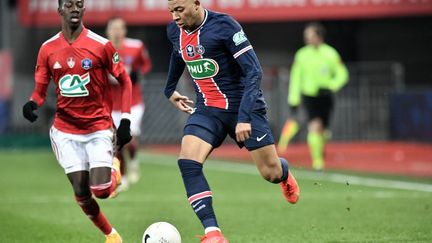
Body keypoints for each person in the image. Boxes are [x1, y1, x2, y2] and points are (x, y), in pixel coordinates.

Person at [165, 0, 300, 242]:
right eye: (171, 11)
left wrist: (245, 117)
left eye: (179, 9)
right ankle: (213, 233)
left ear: (196, 3)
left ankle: (284, 173)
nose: (175, 16)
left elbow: (254, 71)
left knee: (270, 172)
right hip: (207, 109)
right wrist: (169, 90)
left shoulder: (225, 25)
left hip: (243, 108)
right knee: (187, 162)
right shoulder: (175, 30)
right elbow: (178, 55)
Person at [22, 1, 132, 242]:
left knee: (101, 191)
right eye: (69, 4)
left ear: (84, 10)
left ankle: (115, 167)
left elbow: (125, 80)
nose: (74, 8)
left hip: (98, 127)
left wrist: (125, 120)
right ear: (60, 10)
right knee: (82, 192)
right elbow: (40, 90)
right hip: (65, 131)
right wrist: (32, 103)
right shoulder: (47, 49)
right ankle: (111, 235)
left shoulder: (101, 45)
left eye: (79, 4)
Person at [288, 22, 349, 170]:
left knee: (324, 131)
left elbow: (343, 74)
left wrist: (332, 85)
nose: (307, 39)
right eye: (306, 36)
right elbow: (296, 77)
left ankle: (320, 148)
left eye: (310, 35)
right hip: (309, 96)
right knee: (314, 126)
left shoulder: (331, 53)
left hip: (326, 96)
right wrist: (293, 97)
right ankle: (318, 162)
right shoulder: (301, 55)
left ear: (319, 36)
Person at [106, 16, 152, 190]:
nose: (117, 32)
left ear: (125, 30)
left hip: (133, 101)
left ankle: (133, 159)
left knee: (130, 139)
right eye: (113, 28)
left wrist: (136, 74)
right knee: (116, 142)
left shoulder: (136, 46)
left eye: (120, 28)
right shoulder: (101, 48)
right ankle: (122, 175)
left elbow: (146, 65)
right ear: (108, 31)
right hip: (111, 104)